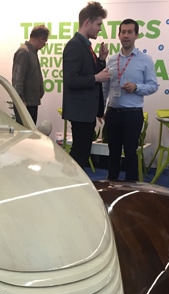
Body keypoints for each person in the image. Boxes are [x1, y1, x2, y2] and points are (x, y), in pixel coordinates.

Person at [102, 18, 158, 182]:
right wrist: (101, 109)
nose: (126, 35)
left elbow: (153, 85)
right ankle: (111, 185)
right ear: (119, 35)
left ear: (136, 35)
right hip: (113, 112)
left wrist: (137, 87)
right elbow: (105, 87)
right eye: (123, 32)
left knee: (131, 154)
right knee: (113, 153)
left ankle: (131, 187)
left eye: (130, 32)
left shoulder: (145, 60)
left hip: (132, 114)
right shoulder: (112, 60)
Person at [62, 1, 111, 169]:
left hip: (86, 112)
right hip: (80, 112)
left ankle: (72, 182)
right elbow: (71, 80)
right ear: (87, 22)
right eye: (98, 24)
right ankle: (70, 182)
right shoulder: (75, 46)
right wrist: (96, 78)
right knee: (79, 154)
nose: (100, 29)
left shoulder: (85, 46)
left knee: (81, 153)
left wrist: (101, 60)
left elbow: (88, 73)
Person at [12, 25, 50, 126]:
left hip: (31, 103)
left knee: (31, 131)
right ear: (41, 38)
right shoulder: (24, 52)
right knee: (25, 132)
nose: (44, 45)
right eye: (45, 41)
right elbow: (17, 80)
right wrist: (21, 102)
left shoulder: (32, 52)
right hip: (25, 105)